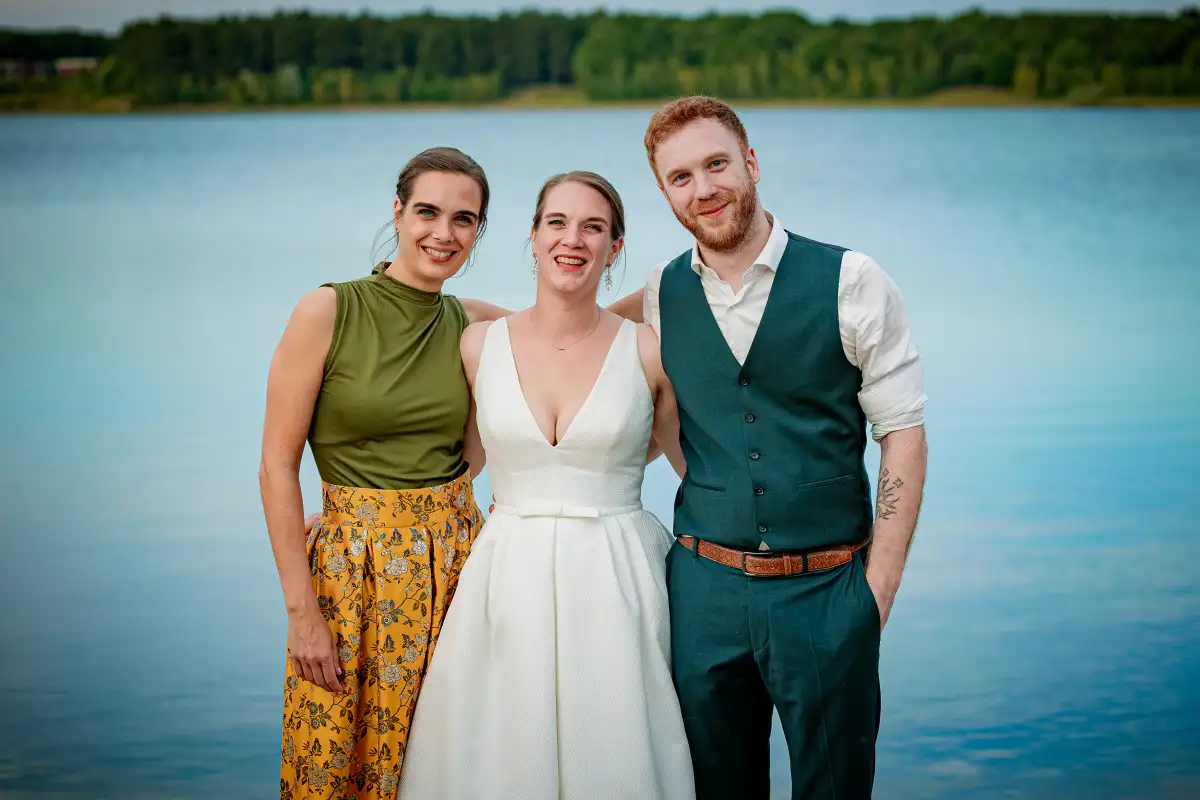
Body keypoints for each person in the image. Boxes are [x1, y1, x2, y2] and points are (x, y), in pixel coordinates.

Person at [634, 95, 929, 799]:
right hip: (703, 594)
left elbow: (903, 435)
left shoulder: (852, 281)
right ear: (665, 193)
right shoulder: (659, 295)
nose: (703, 189)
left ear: (751, 162)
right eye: (681, 177)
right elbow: (570, 326)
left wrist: (875, 595)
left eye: (716, 165)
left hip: (827, 591)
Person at [396, 171, 697, 799]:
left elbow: (696, 470)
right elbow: (455, 465)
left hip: (619, 581)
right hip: (505, 579)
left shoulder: (648, 350)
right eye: (556, 223)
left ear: (615, 247)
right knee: (499, 761)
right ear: (532, 237)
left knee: (617, 755)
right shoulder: (479, 345)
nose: (572, 240)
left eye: (593, 227)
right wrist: (352, 512)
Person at [259, 146, 508, 799]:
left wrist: (671, 288)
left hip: (457, 573)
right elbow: (277, 465)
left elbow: (580, 331)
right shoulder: (327, 311)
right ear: (397, 213)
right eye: (427, 212)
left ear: (478, 231)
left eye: (464, 219)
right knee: (334, 767)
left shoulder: (474, 323)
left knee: (449, 768)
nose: (443, 233)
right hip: (351, 581)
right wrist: (302, 612)